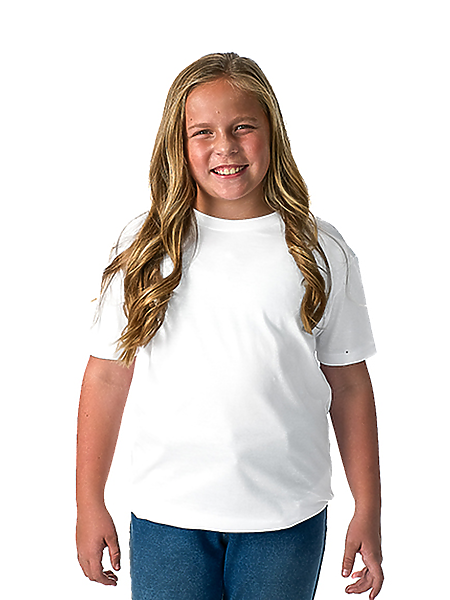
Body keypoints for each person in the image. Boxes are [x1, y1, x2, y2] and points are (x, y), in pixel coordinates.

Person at [76, 52, 383, 600]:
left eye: (243, 127)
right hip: (168, 514)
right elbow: (106, 376)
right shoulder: (145, 249)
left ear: (272, 132)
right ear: (177, 143)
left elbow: (350, 385)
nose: (226, 147)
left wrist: (369, 508)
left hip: (286, 516)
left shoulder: (318, 249)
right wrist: (88, 503)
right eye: (203, 132)